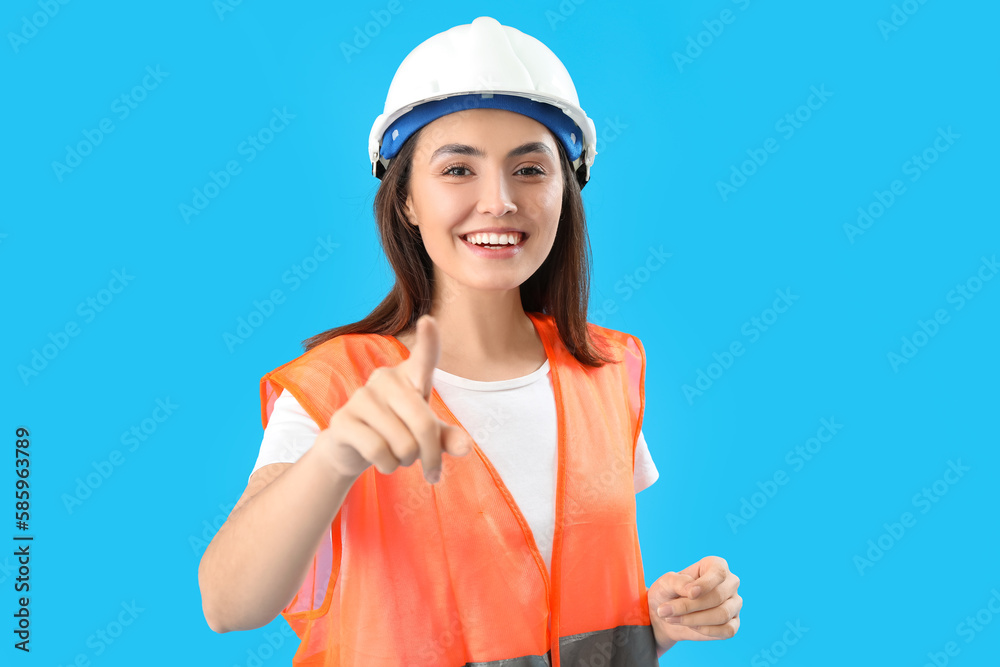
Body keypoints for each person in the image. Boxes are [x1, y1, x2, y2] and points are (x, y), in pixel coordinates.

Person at [198, 16, 741, 665]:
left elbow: (557, 602)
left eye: (530, 170)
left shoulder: (607, 371)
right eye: (458, 168)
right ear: (406, 200)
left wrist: (656, 616)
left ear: (564, 192)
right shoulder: (340, 388)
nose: (499, 201)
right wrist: (336, 454)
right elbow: (228, 605)